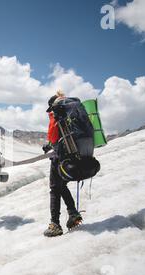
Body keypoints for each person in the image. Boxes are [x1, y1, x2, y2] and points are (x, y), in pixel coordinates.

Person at [42, 91, 83, 237]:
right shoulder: (73, 113)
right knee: (62, 186)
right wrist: (50, 145)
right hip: (73, 157)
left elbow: (54, 135)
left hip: (60, 159)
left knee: (54, 189)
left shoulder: (57, 112)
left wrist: (51, 144)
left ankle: (55, 225)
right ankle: (73, 213)